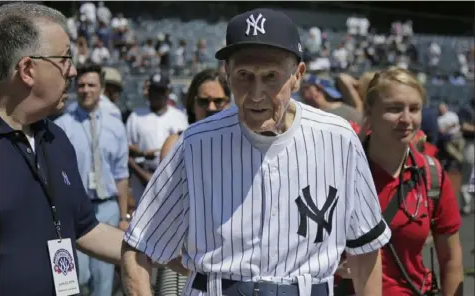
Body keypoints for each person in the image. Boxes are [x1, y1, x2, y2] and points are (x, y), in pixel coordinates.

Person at [121, 8, 391, 296]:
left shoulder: (339, 139)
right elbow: (139, 246)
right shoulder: (194, 143)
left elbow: (365, 250)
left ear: (297, 76)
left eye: (271, 76)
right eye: (244, 75)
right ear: (227, 74)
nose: (257, 92)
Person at [0, 3, 124, 296]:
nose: (74, 70)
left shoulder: (55, 137)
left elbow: (86, 229)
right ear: (28, 69)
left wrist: (165, 253)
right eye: (65, 58)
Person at [335, 67, 464, 295]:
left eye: (414, 109)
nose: (406, 119)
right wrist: (333, 266)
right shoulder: (338, 169)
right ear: (369, 112)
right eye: (394, 109)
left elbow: (451, 260)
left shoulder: (431, 174)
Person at [153, 68, 232, 296]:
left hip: (227, 259)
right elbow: (164, 205)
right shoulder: (176, 143)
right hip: (181, 256)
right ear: (191, 104)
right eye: (203, 101)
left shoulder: (241, 147)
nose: (211, 108)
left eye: (219, 101)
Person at [54, 63, 130, 296]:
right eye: (82, 85)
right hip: (76, 208)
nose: (86, 90)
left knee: (103, 280)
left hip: (107, 207)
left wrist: (124, 216)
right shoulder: (62, 126)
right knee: (75, 277)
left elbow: (121, 175)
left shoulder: (116, 126)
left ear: (102, 88)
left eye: (92, 85)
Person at [126, 73, 188, 203]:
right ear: (148, 91)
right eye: (153, 90)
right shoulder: (136, 116)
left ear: (168, 92)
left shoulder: (179, 116)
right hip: (142, 177)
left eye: (160, 91)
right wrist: (144, 175)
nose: (156, 95)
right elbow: (127, 153)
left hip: (172, 178)